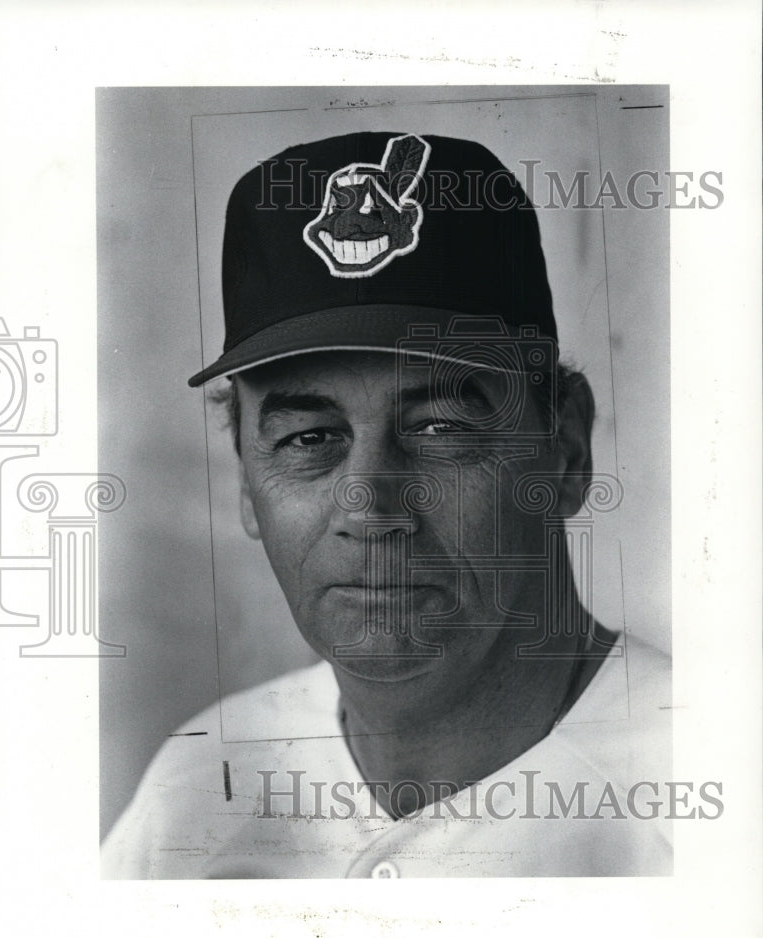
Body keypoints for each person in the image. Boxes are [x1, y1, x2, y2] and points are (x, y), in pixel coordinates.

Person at [102, 131, 672, 878]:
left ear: (564, 446)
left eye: (440, 428)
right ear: (246, 478)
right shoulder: (197, 787)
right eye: (309, 437)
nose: (369, 508)